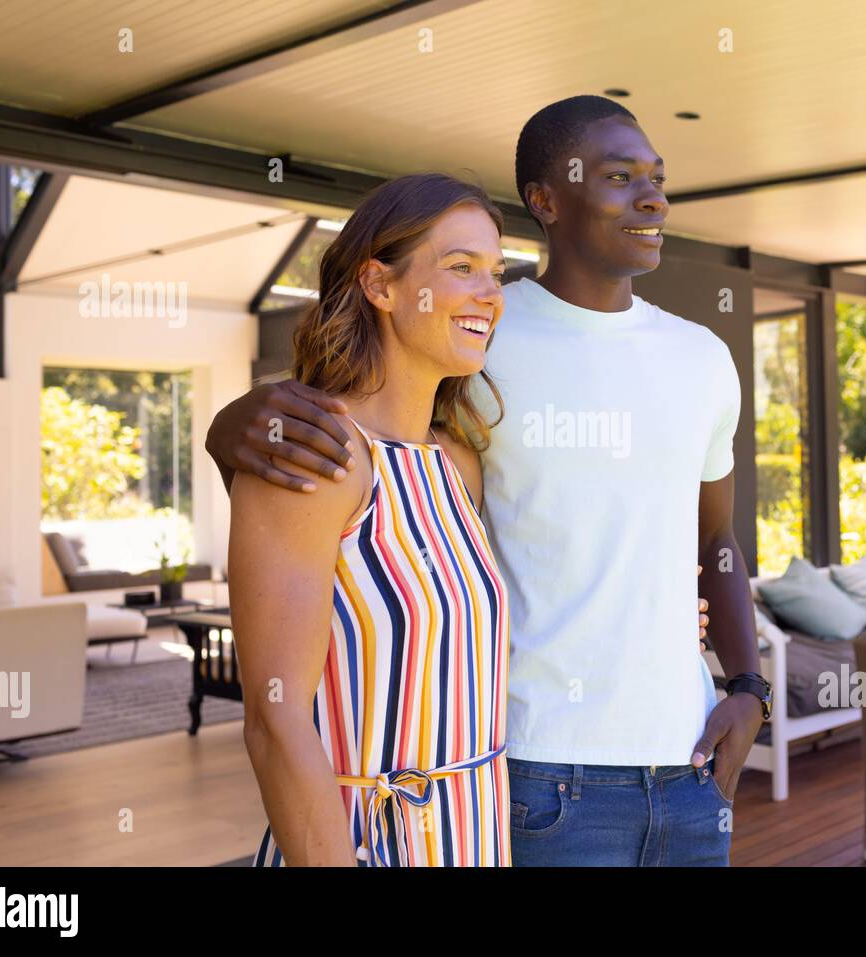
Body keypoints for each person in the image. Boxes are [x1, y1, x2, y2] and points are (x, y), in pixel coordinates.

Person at [209, 96, 767, 867]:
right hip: (528, 789)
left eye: (491, 270)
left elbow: (712, 539)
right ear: (548, 201)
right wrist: (229, 425)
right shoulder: (453, 372)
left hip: (638, 785)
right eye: (618, 177)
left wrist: (748, 685)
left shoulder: (466, 447)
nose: (653, 198)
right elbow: (277, 712)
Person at [227, 173, 513, 866]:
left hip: (478, 839)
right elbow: (275, 718)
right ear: (381, 287)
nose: (490, 294)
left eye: (497, 273)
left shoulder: (457, 464)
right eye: (461, 268)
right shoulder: (316, 456)